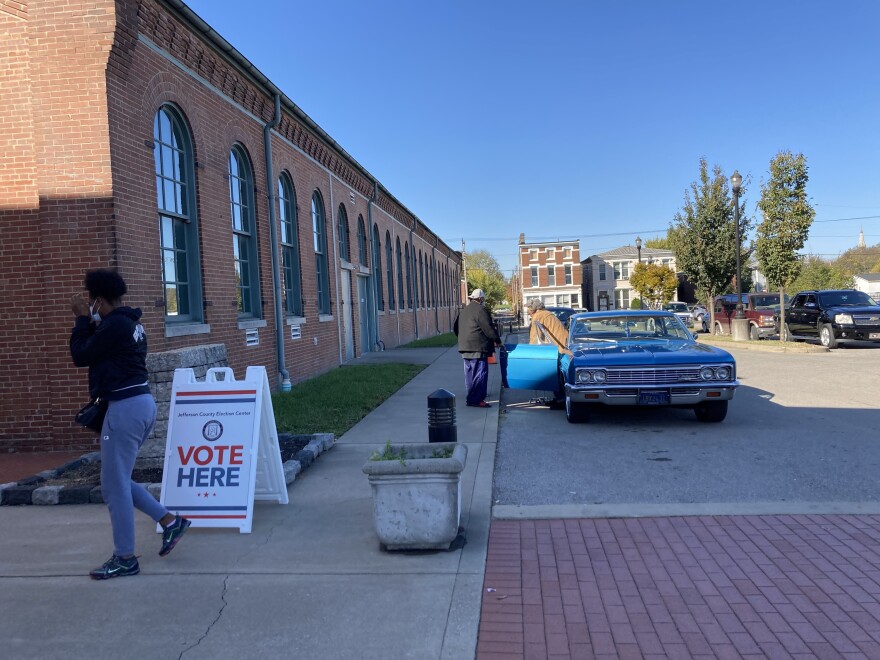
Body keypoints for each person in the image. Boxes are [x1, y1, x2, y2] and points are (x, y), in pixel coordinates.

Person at [70, 269, 190, 579]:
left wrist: (82, 320)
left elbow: (81, 354)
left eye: (90, 300)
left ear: (97, 300)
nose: (87, 305)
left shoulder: (114, 326)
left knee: (113, 487)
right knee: (119, 479)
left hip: (124, 408)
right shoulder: (131, 324)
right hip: (140, 403)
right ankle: (169, 522)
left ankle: (125, 557)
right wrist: (93, 322)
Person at [453, 288, 501, 408]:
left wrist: (463, 338)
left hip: (465, 347)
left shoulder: (464, 311)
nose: (483, 301)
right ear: (480, 299)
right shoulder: (481, 310)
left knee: (469, 374)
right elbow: (488, 328)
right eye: (483, 299)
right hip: (478, 347)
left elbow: (455, 328)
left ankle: (471, 397)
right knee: (480, 373)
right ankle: (477, 399)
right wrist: (497, 340)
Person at [526, 298, 569, 406]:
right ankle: (561, 398)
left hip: (558, 349)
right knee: (560, 375)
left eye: (528, 308)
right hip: (563, 347)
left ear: (533, 308)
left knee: (555, 374)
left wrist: (531, 353)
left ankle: (561, 399)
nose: (527, 311)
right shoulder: (546, 314)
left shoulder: (538, 316)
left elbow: (534, 338)